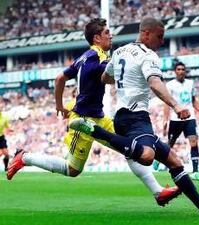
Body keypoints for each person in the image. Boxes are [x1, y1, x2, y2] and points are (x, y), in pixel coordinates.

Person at [7, 18, 180, 206]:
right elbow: (112, 75)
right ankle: (24, 157)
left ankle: (158, 192)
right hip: (82, 120)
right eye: (107, 33)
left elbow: (59, 79)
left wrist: (59, 106)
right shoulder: (99, 58)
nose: (111, 35)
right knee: (72, 169)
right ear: (97, 38)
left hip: (99, 117)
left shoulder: (84, 57)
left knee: (130, 147)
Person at [69, 17, 199, 216]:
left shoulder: (120, 51)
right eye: (159, 36)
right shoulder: (148, 55)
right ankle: (96, 130)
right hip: (135, 117)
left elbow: (105, 77)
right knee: (147, 156)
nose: (161, 41)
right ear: (146, 33)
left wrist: (125, 80)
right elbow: (155, 83)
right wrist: (176, 105)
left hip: (123, 116)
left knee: (174, 161)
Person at [156, 62, 199, 180]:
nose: (181, 71)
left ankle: (195, 171)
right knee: (170, 145)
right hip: (175, 118)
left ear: (185, 71)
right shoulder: (170, 85)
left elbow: (193, 101)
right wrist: (165, 120)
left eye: (183, 69)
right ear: (175, 71)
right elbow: (167, 104)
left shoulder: (190, 83)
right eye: (178, 69)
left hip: (190, 117)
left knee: (194, 141)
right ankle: (159, 161)